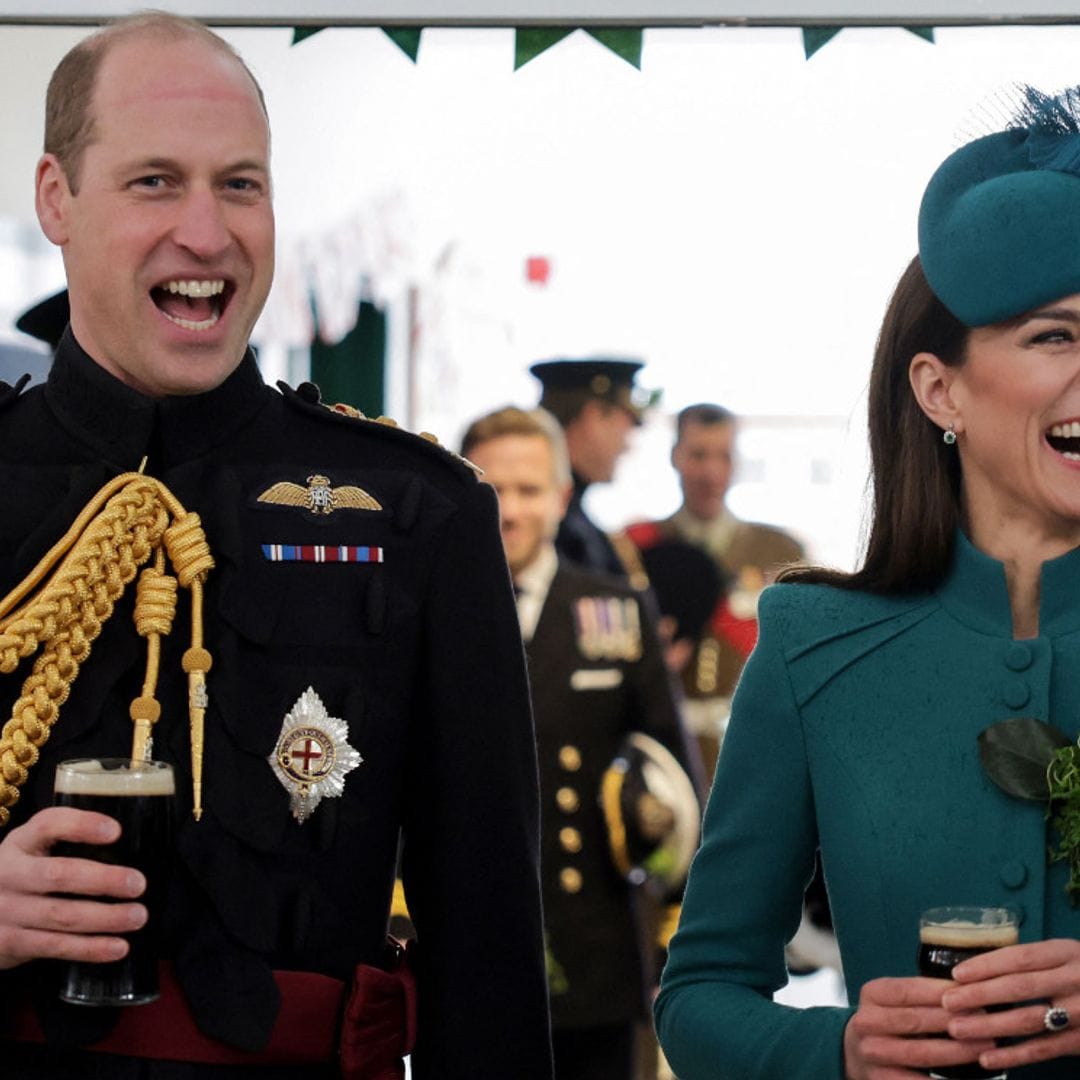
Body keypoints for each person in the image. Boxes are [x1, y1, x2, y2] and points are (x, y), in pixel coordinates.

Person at [0, 14, 553, 1079]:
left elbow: (485, 945)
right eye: (156, 181)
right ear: (56, 200)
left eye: (240, 185)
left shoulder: (414, 513)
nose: (206, 234)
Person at [654, 86, 1080, 1080]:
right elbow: (701, 992)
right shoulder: (813, 645)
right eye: (1055, 336)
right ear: (941, 390)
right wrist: (835, 1048)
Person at [461, 405, 701, 1080]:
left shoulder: (614, 609)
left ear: (562, 498)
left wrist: (679, 938)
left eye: (529, 490)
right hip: (470, 938)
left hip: (595, 939)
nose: (508, 510)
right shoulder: (433, 606)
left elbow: (673, 773)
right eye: (490, 488)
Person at [627, 403, 804, 777]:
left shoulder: (782, 553)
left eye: (723, 456)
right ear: (675, 457)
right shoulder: (634, 552)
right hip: (664, 755)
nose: (711, 472)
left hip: (756, 750)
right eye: (698, 455)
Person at [530, 356, 657, 579]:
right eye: (625, 428)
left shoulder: (574, 519)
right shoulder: (555, 523)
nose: (626, 447)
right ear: (594, 417)